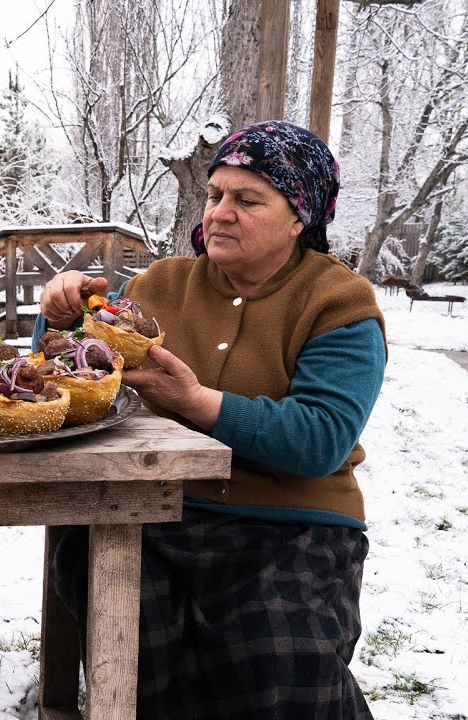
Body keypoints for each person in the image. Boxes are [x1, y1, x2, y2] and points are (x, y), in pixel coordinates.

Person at [35, 121, 385, 718]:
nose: (220, 213)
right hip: (148, 507)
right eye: (215, 195)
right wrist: (63, 320)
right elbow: (66, 381)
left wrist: (197, 403)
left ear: (300, 217)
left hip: (291, 524)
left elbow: (320, 439)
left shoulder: (338, 302)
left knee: (280, 666)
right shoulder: (160, 284)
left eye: (247, 200)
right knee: (143, 658)